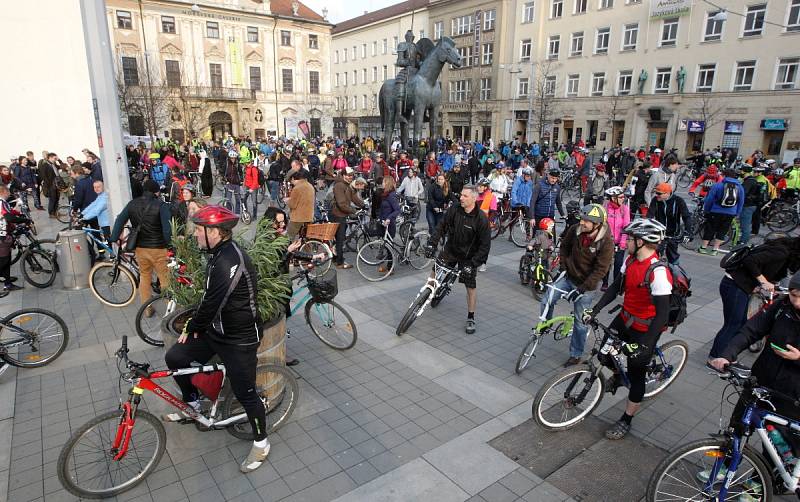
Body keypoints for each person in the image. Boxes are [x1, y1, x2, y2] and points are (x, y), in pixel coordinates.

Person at [164, 205, 271, 473]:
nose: (195, 235)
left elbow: (212, 303)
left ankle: (261, 443)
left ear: (215, 232)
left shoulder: (229, 260)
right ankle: (192, 405)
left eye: (199, 230)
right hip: (217, 331)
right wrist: (197, 326)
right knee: (176, 357)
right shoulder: (216, 253)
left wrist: (193, 325)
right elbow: (208, 300)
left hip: (240, 338)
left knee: (246, 393)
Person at [587, 218, 671, 439]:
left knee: (636, 374)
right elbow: (616, 287)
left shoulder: (658, 273)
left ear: (641, 242)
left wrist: (644, 345)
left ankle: (626, 419)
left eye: (630, 239)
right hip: (624, 318)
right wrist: (595, 309)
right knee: (604, 354)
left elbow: (662, 315)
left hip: (645, 328)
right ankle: (617, 374)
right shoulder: (631, 259)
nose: (625, 242)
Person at [709, 270, 800, 440]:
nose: (797, 303)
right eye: (794, 295)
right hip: (761, 381)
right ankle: (727, 465)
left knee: (778, 443)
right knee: (737, 427)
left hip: (792, 395)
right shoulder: (782, 306)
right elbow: (751, 330)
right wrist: (727, 355)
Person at [540, 203, 614, 366]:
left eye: (586, 221)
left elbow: (601, 270)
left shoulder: (606, 242)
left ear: (597, 224)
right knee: (546, 300)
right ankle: (546, 324)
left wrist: (581, 289)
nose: (582, 222)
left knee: (580, 323)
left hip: (586, 286)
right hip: (568, 277)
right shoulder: (575, 230)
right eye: (582, 219)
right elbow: (564, 247)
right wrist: (564, 267)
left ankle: (576, 354)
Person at [708, 236, 800, 360]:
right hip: (735, 285)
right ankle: (715, 357)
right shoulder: (781, 252)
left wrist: (762, 283)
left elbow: (767, 268)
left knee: (738, 323)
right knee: (733, 324)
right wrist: (763, 281)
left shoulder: (783, 250)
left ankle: (721, 355)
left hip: (739, 285)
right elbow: (750, 260)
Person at [426, 185, 491, 334]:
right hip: (451, 249)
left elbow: (485, 247)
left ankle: (471, 317)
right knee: (435, 269)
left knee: (470, 287)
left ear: (474, 199)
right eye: (461, 195)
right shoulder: (455, 209)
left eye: (465, 196)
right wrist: (432, 244)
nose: (460, 198)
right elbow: (441, 226)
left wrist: (473, 264)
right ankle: (427, 293)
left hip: (468, 258)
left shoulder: (481, 219)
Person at [110, 180, 172, 315]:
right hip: (159, 248)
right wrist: (170, 244)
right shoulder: (161, 205)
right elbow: (167, 229)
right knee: (165, 279)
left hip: (141, 248)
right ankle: (170, 310)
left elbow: (120, 219)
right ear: (156, 192)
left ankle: (147, 309)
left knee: (144, 277)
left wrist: (114, 238)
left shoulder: (132, 204)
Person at [699, 167, 745, 255]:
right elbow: (741, 202)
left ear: (724, 175)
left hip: (715, 211)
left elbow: (709, 199)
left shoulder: (717, 185)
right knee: (722, 230)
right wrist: (737, 213)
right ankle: (715, 250)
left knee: (710, 228)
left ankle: (703, 248)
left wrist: (707, 210)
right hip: (730, 212)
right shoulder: (740, 187)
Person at [648, 183, 691, 264]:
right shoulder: (655, 200)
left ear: (667, 193)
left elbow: (686, 216)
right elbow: (650, 215)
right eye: (656, 193)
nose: (657, 195)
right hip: (659, 233)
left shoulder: (678, 200)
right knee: (653, 255)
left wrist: (688, 232)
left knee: (673, 257)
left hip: (673, 233)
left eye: (659, 193)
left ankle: (675, 273)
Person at [331, 167, 364, 269]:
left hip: (342, 214)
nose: (350, 177)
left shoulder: (347, 185)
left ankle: (335, 258)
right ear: (343, 175)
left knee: (339, 239)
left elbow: (354, 197)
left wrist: (363, 205)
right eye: (348, 175)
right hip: (338, 215)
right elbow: (341, 204)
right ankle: (340, 263)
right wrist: (353, 211)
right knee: (340, 239)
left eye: (352, 176)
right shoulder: (339, 185)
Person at [0, 185, 28, 291]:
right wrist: (24, 220)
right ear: (4, 192)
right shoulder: (1, 202)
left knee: (6, 260)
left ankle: (6, 280)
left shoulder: (3, 203)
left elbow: (10, 213)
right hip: (2, 236)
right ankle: (7, 283)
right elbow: (9, 217)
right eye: (8, 192)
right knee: (4, 261)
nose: (9, 194)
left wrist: (19, 213)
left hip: (4, 234)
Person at [604, 186, 630, 287]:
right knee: (606, 263)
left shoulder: (624, 209)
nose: (623, 199)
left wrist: (623, 242)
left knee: (618, 264)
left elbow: (626, 227)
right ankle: (605, 283)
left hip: (620, 242)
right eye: (621, 197)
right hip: (607, 241)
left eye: (624, 197)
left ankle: (615, 285)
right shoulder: (605, 208)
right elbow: (602, 225)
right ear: (613, 198)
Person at [80, 180, 112, 258]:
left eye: (99, 187)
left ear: (103, 187)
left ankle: (113, 255)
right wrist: (82, 213)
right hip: (104, 223)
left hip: (108, 223)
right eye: (95, 187)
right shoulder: (100, 196)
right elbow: (93, 205)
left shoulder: (105, 197)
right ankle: (108, 253)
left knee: (109, 240)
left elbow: (97, 210)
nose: (96, 189)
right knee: (106, 239)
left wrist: (85, 218)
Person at [378, 177, 401, 274]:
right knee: (386, 245)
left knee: (389, 246)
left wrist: (389, 218)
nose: (382, 183)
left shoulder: (391, 195)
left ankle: (390, 267)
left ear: (387, 183)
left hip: (389, 224)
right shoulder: (385, 194)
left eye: (383, 182)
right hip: (383, 223)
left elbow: (397, 210)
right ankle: (388, 266)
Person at [284, 170, 315, 239]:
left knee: (288, 237)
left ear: (293, 179)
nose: (292, 184)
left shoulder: (297, 188)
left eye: (291, 182)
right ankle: (306, 249)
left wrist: (287, 201)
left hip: (298, 217)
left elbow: (293, 205)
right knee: (306, 237)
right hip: (309, 216)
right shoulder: (310, 186)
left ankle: (286, 249)